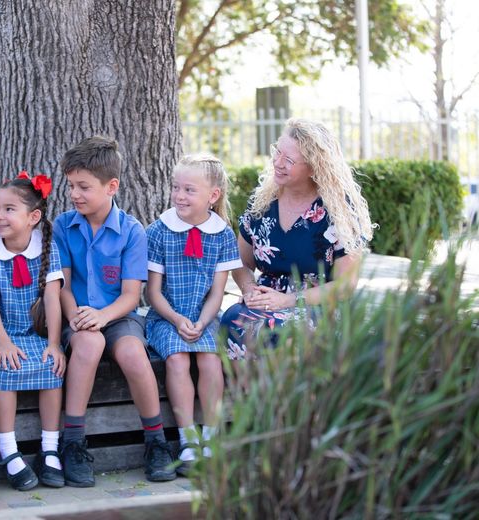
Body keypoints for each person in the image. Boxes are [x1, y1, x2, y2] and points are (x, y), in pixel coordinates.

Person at [53, 136, 176, 486]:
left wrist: (103, 317)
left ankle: (156, 442)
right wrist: (77, 315)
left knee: (134, 354)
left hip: (118, 316)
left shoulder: (131, 231)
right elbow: (62, 284)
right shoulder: (63, 226)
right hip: (75, 315)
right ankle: (72, 442)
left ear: (112, 186)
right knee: (89, 345)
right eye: (71, 186)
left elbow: (131, 295)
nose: (75, 194)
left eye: (83, 187)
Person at [221, 118, 374, 358]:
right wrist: (250, 289)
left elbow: (345, 285)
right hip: (268, 298)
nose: (278, 163)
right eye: (277, 152)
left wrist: (287, 300)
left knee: (281, 330)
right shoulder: (262, 203)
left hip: (317, 304)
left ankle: (289, 396)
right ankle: (251, 394)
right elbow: (240, 262)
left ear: (314, 167)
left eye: (289, 160)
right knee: (232, 320)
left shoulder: (339, 212)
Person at [145, 153, 242, 475]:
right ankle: (188, 438)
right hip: (165, 317)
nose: (179, 196)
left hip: (205, 316)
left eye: (189, 190)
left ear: (213, 196)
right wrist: (176, 319)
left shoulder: (223, 235)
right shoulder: (158, 231)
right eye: (176, 188)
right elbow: (153, 292)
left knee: (211, 359)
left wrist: (202, 321)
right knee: (177, 359)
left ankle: (211, 437)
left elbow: (218, 292)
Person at [0, 171, 66, 491]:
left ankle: (50, 448)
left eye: (9, 209)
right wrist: (2, 343)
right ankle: (9, 451)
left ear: (33, 217)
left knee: (52, 366)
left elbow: (53, 300)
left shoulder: (47, 247)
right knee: (7, 367)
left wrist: (54, 343)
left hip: (35, 334)